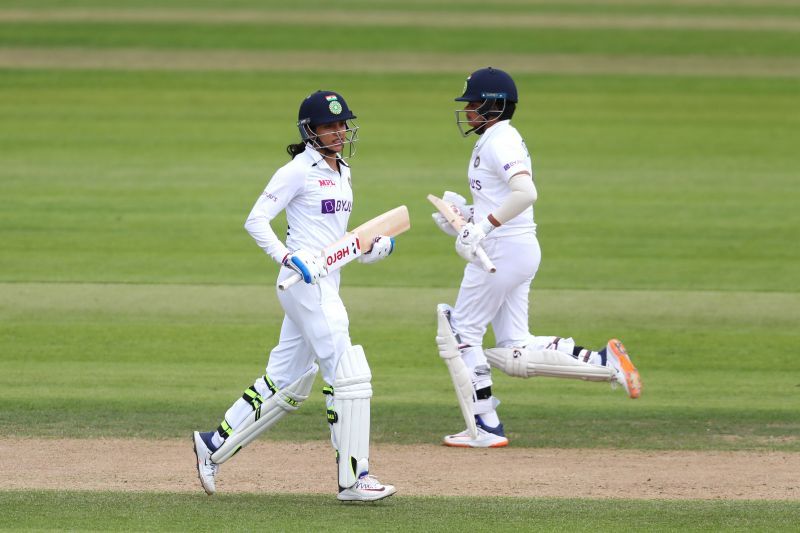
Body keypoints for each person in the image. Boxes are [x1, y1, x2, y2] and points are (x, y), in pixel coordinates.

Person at [193, 90, 397, 501]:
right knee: (347, 372)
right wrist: (288, 257)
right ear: (310, 131)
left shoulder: (343, 171)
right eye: (329, 125)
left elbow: (335, 239)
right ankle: (354, 478)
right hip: (304, 285)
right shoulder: (297, 170)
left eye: (343, 124)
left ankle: (213, 444)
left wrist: (370, 248)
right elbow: (256, 220)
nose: (339, 131)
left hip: (325, 281)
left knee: (288, 382)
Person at [432, 67, 643, 448]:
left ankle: (485, 427)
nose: (467, 111)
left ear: (493, 106)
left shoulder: (501, 142)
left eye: (473, 104)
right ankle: (603, 363)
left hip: (500, 250)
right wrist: (464, 217)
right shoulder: (496, 139)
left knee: (460, 332)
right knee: (515, 343)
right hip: (516, 248)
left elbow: (526, 193)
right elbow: (500, 198)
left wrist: (482, 228)